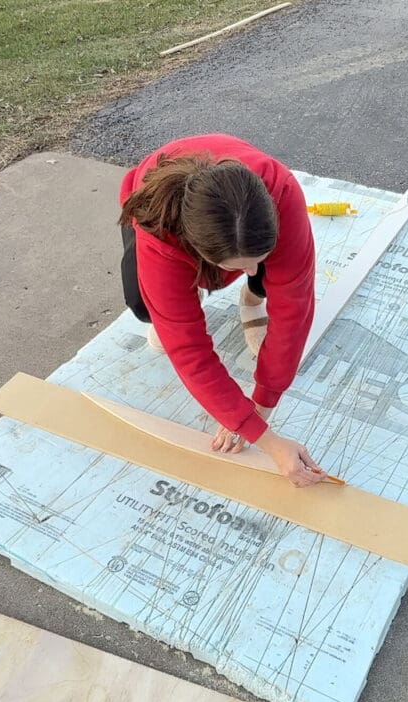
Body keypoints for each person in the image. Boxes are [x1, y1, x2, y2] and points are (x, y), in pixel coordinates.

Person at [118, 133, 327, 488]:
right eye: (239, 266)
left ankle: (252, 297)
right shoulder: (159, 233)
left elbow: (293, 310)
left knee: (273, 277)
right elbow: (189, 351)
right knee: (144, 305)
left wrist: (262, 404)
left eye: (257, 260)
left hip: (239, 229)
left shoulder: (283, 193)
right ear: (197, 251)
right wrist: (266, 440)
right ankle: (181, 297)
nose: (250, 270)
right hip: (157, 210)